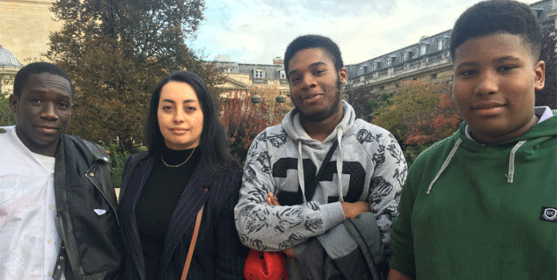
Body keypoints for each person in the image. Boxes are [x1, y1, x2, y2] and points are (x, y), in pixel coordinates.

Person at [388, 1, 556, 279]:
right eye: (468, 72)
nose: (486, 86)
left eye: (506, 68)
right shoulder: (427, 167)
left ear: (537, 75)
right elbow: (404, 262)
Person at [235, 35, 407, 279]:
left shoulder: (380, 144)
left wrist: (296, 247)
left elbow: (392, 235)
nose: (307, 82)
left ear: (342, 75)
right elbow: (249, 225)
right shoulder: (266, 144)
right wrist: (343, 211)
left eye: (318, 71)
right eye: (296, 78)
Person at [118, 70, 249, 280]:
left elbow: (230, 269)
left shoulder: (228, 179)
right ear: (156, 114)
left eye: (190, 108)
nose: (178, 118)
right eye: (168, 108)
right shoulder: (135, 166)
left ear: (205, 115)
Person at [0, 62, 122, 279]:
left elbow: (108, 241)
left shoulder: (92, 162)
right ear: (14, 103)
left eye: (62, 105)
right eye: (37, 101)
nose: (50, 114)